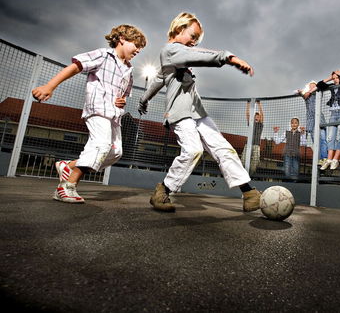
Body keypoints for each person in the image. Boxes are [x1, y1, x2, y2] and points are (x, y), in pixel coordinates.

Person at [137, 12, 260, 213]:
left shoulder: (176, 57)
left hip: (198, 112)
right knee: (194, 150)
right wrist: (227, 57)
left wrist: (144, 99)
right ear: (179, 28)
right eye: (192, 36)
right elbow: (195, 56)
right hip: (180, 112)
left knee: (222, 148)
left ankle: (249, 194)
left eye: (197, 39)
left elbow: (158, 79)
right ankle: (163, 191)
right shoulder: (170, 50)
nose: (194, 42)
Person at [32, 24, 147, 203]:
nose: (139, 50)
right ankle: (66, 187)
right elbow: (75, 66)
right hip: (97, 109)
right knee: (101, 145)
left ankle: (67, 166)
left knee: (115, 152)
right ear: (122, 39)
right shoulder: (103, 55)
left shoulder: (129, 70)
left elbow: (123, 94)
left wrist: (122, 100)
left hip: (114, 115)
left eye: (141, 47)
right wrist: (50, 86)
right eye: (136, 44)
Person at [316, 70, 340, 170]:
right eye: (334, 78)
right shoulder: (332, 86)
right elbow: (320, 85)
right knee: (330, 137)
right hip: (333, 114)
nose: (335, 80)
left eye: (336, 78)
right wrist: (330, 78)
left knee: (339, 136)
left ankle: (335, 159)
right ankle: (329, 159)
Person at [295, 81, 328, 165]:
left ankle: (324, 158)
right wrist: (300, 92)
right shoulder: (307, 97)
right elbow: (297, 93)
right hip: (311, 122)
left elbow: (322, 85)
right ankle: (319, 159)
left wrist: (310, 90)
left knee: (322, 139)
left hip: (319, 120)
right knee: (315, 142)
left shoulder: (318, 93)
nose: (312, 87)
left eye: (314, 86)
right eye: (310, 86)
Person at [241, 100, 264, 175]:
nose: (257, 117)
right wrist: (248, 104)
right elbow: (247, 115)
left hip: (256, 145)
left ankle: (250, 175)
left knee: (255, 162)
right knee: (243, 160)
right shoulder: (251, 123)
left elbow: (262, 115)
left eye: (258, 117)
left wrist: (259, 104)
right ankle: (243, 174)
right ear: (253, 118)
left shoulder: (260, 125)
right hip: (248, 145)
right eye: (255, 116)